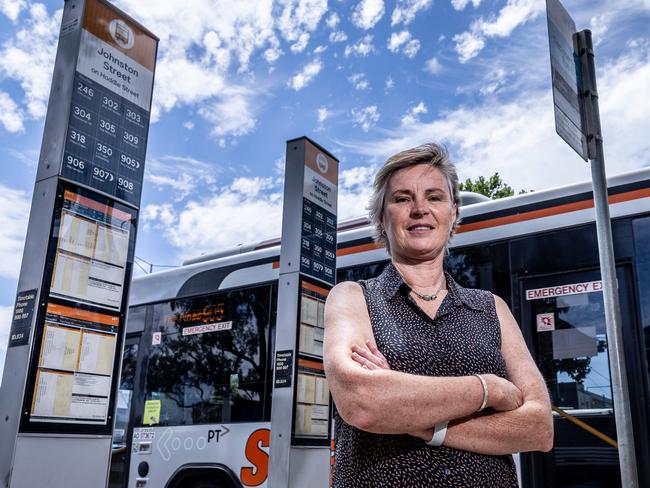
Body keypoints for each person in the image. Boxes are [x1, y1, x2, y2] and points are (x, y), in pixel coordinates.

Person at [323, 143, 553, 487]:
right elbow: (363, 402)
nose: (419, 209)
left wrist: (414, 420)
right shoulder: (353, 298)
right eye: (402, 199)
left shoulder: (491, 308)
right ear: (382, 217)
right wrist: (487, 389)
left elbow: (539, 428)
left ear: (454, 212)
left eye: (434, 197)